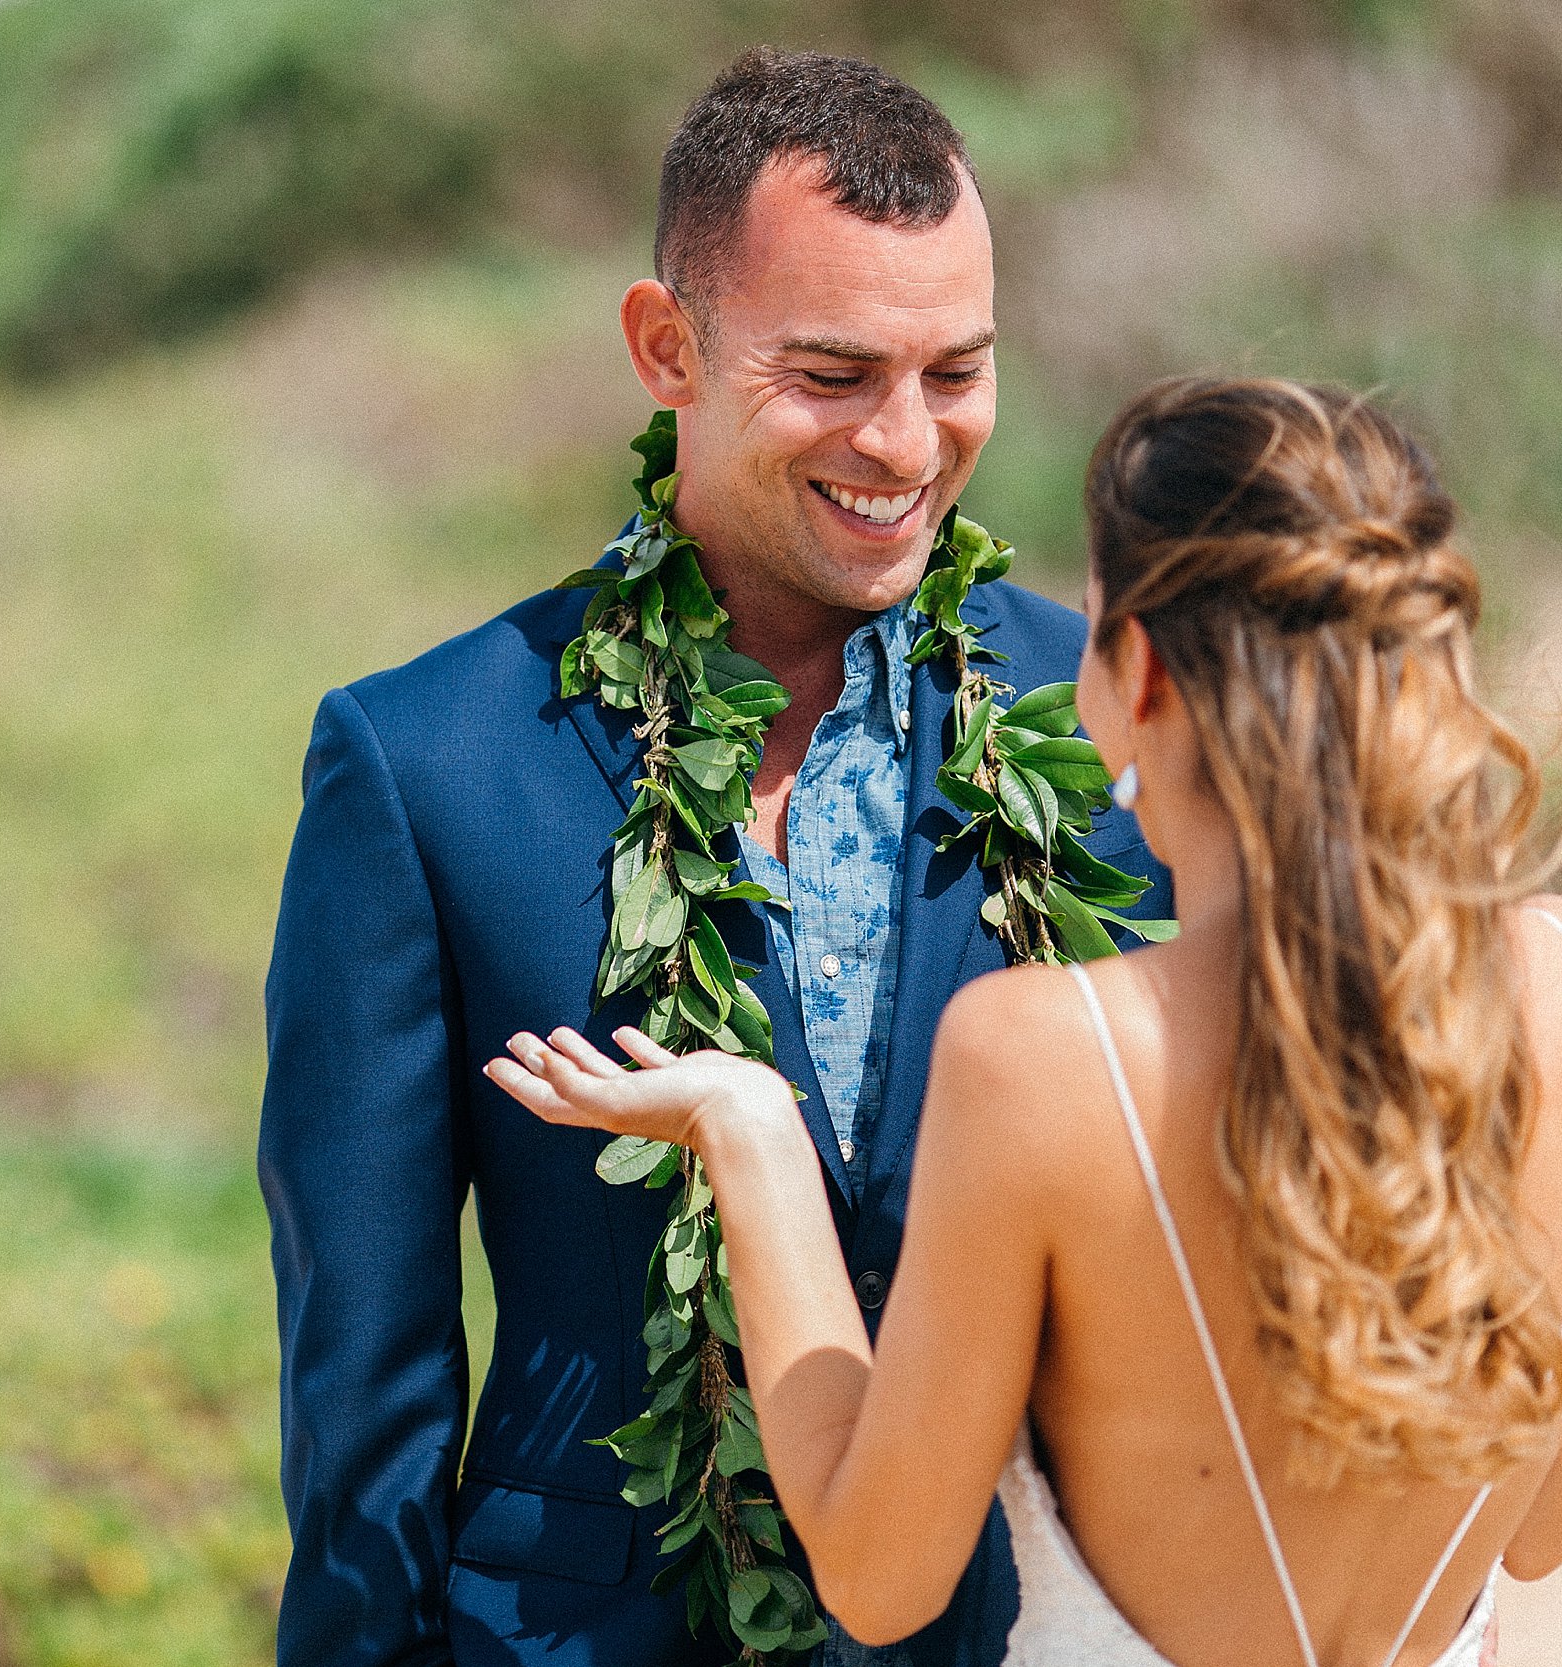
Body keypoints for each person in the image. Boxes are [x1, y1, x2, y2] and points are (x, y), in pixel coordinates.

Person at [488, 376, 1562, 1667]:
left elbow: (880, 1580)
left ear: (1141, 669)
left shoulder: (1046, 1055)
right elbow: (1544, 1525)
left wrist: (751, 1128)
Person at [259, 48, 1167, 1667]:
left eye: (955, 372)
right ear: (666, 346)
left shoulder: (1115, 712)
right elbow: (365, 1380)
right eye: (832, 374)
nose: (902, 445)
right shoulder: (421, 763)